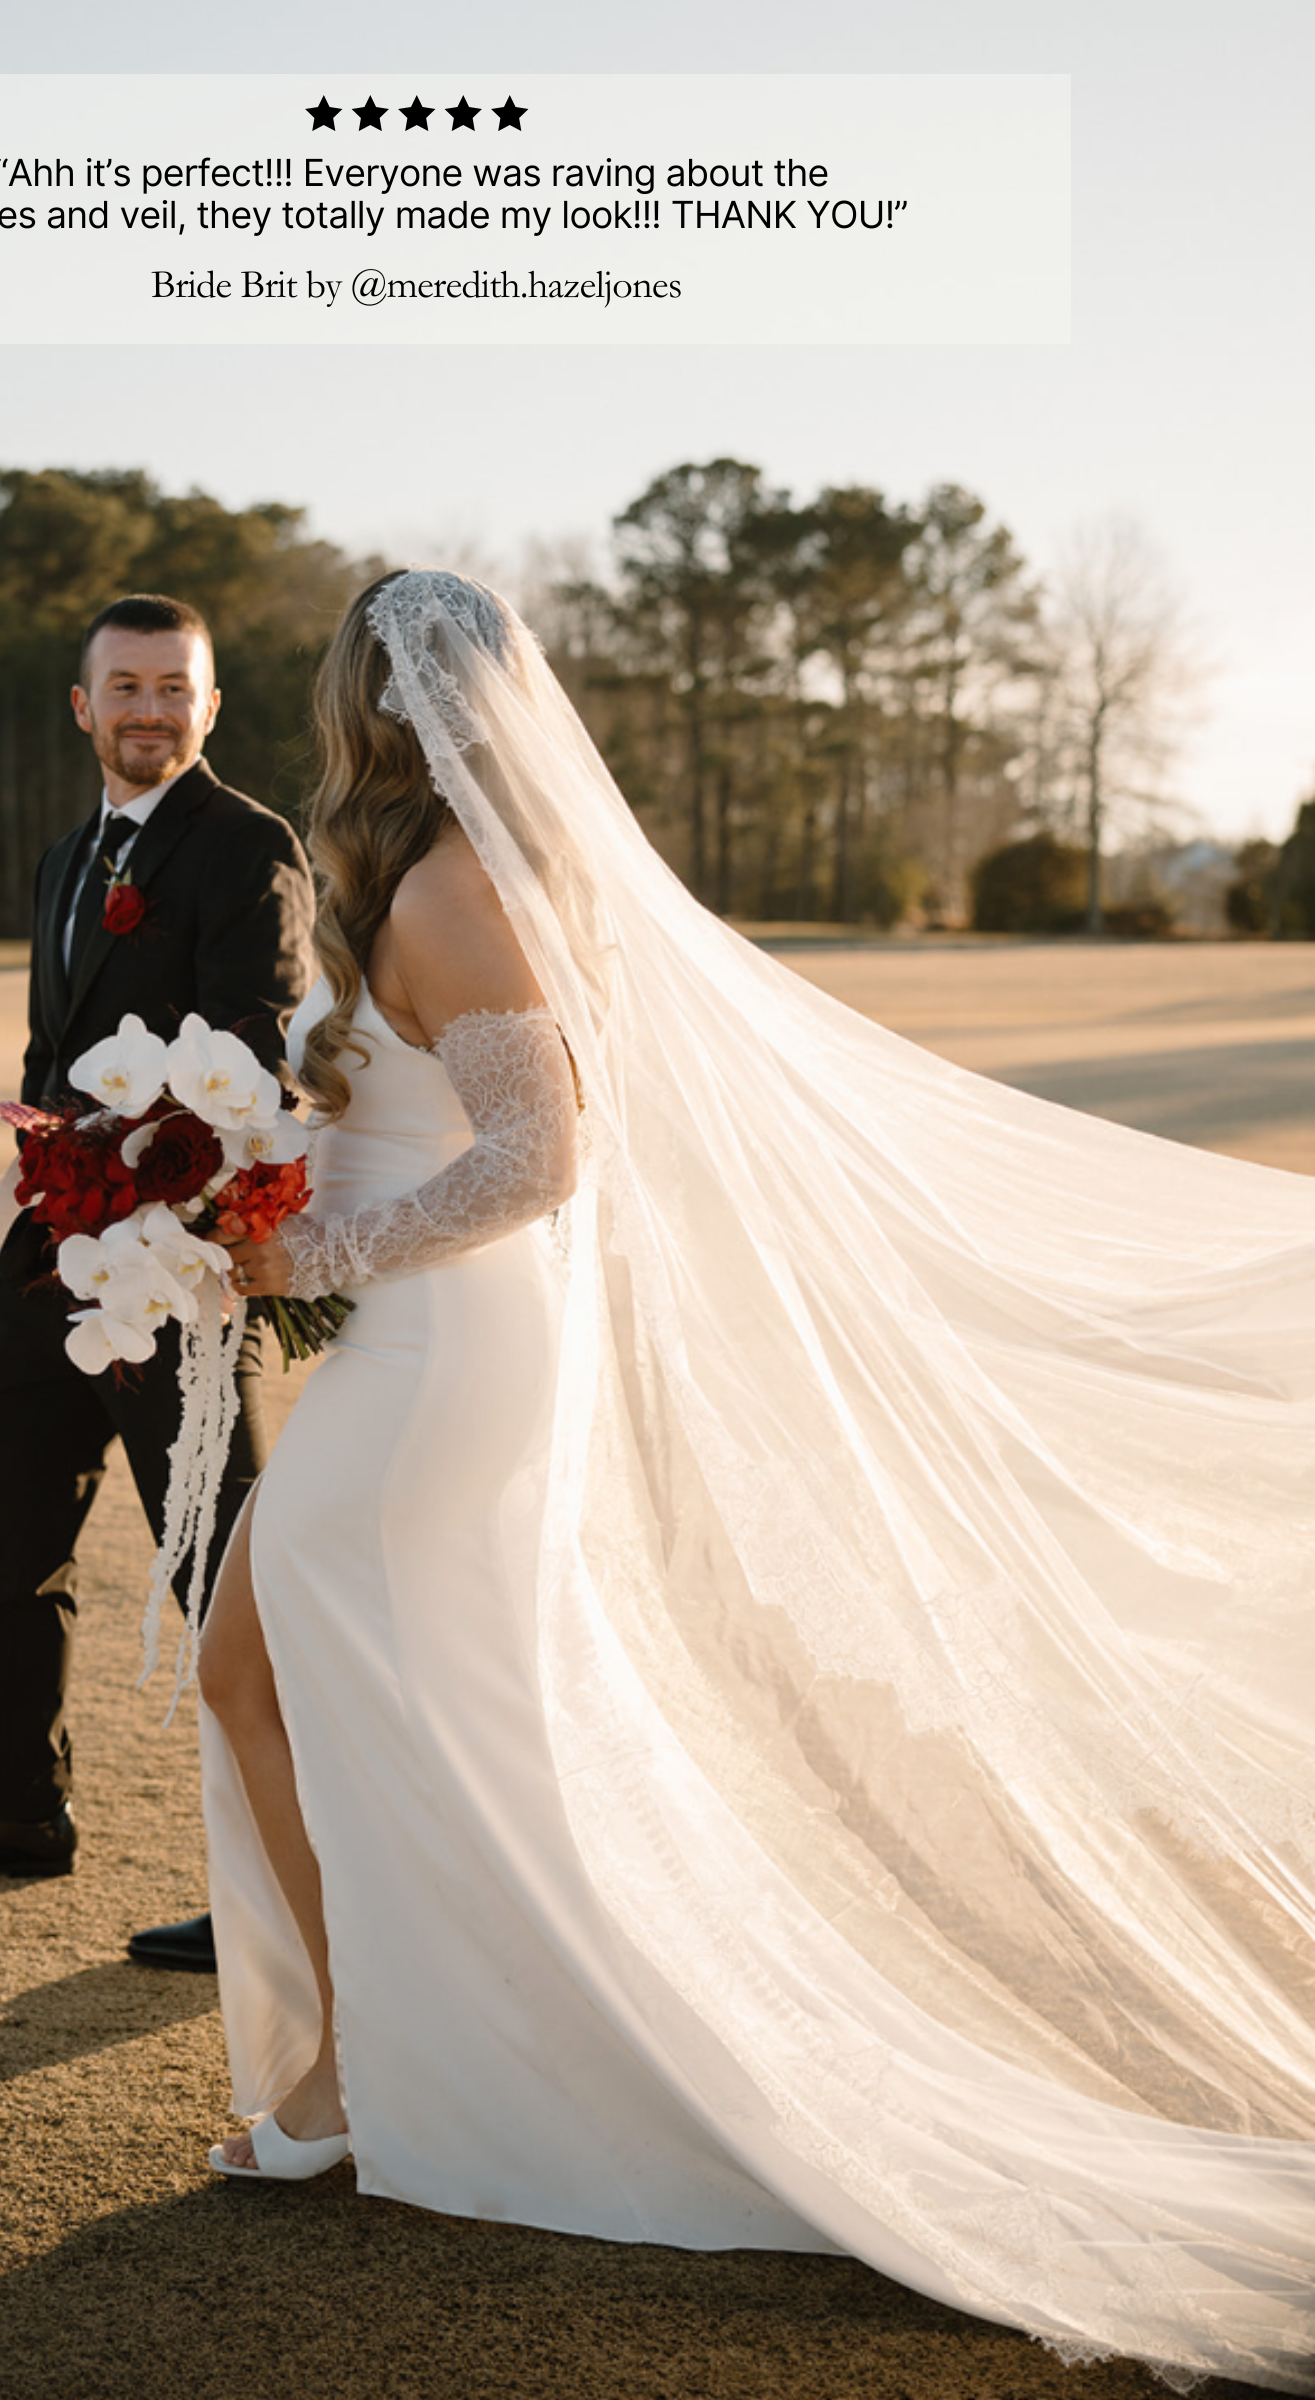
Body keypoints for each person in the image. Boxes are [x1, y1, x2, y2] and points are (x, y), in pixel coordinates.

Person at [195, 569, 1315, 2389]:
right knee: (315, 1688)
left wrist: (309, 1260)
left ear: (364, 698)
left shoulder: (463, 887)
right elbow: (422, 1129)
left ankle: (368, 2084)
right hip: (429, 1349)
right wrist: (238, 1186)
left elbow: (540, 1159)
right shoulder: (439, 875)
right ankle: (353, 2072)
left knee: (304, 1685)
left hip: (443, 1358)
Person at [0, 593, 313, 1980]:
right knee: (13, 1533)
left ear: (213, 706)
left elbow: (254, 1041)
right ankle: (10, 1808)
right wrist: (32, 1187)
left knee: (220, 1573)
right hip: (49, 1261)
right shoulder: (65, 857)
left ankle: (275, 1886)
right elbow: (60, 1051)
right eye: (126, 686)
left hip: (176, 1270)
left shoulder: (248, 847)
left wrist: (133, 1176)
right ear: (83, 706)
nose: (151, 709)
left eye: (177, 687)